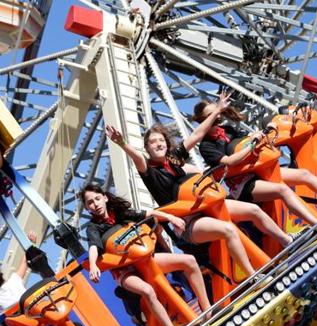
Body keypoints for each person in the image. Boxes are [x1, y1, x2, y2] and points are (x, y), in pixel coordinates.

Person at [106, 93, 294, 280]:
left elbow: (197, 134)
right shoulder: (149, 170)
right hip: (189, 222)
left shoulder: (174, 158)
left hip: (207, 206)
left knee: (253, 210)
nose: (158, 144)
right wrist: (122, 143)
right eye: (153, 142)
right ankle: (253, 276)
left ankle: (287, 242)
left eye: (161, 140)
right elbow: (137, 158)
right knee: (227, 229)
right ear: (147, 148)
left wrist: (218, 110)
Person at [192, 100, 317, 226]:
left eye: (218, 112)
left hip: (259, 170)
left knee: (304, 174)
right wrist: (253, 143)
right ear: (203, 121)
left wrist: (264, 131)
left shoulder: (227, 130)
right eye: (212, 115)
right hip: (243, 184)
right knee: (283, 190)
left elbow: (248, 138)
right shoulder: (206, 146)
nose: (217, 117)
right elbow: (230, 162)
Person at [82, 184, 210, 326]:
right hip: (125, 270)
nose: (95, 204)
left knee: (189, 261)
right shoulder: (93, 227)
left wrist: (170, 217)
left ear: (104, 197)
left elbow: (148, 213)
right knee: (147, 290)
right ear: (86, 207)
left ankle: (208, 310)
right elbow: (93, 246)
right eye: (90, 202)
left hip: (145, 260)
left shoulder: (120, 213)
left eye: (97, 199)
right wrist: (93, 265)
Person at [0, 231, 37, 312]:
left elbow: (25, 262)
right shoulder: (14, 281)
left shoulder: (14, 280)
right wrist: (32, 243)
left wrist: (31, 243)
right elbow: (25, 262)